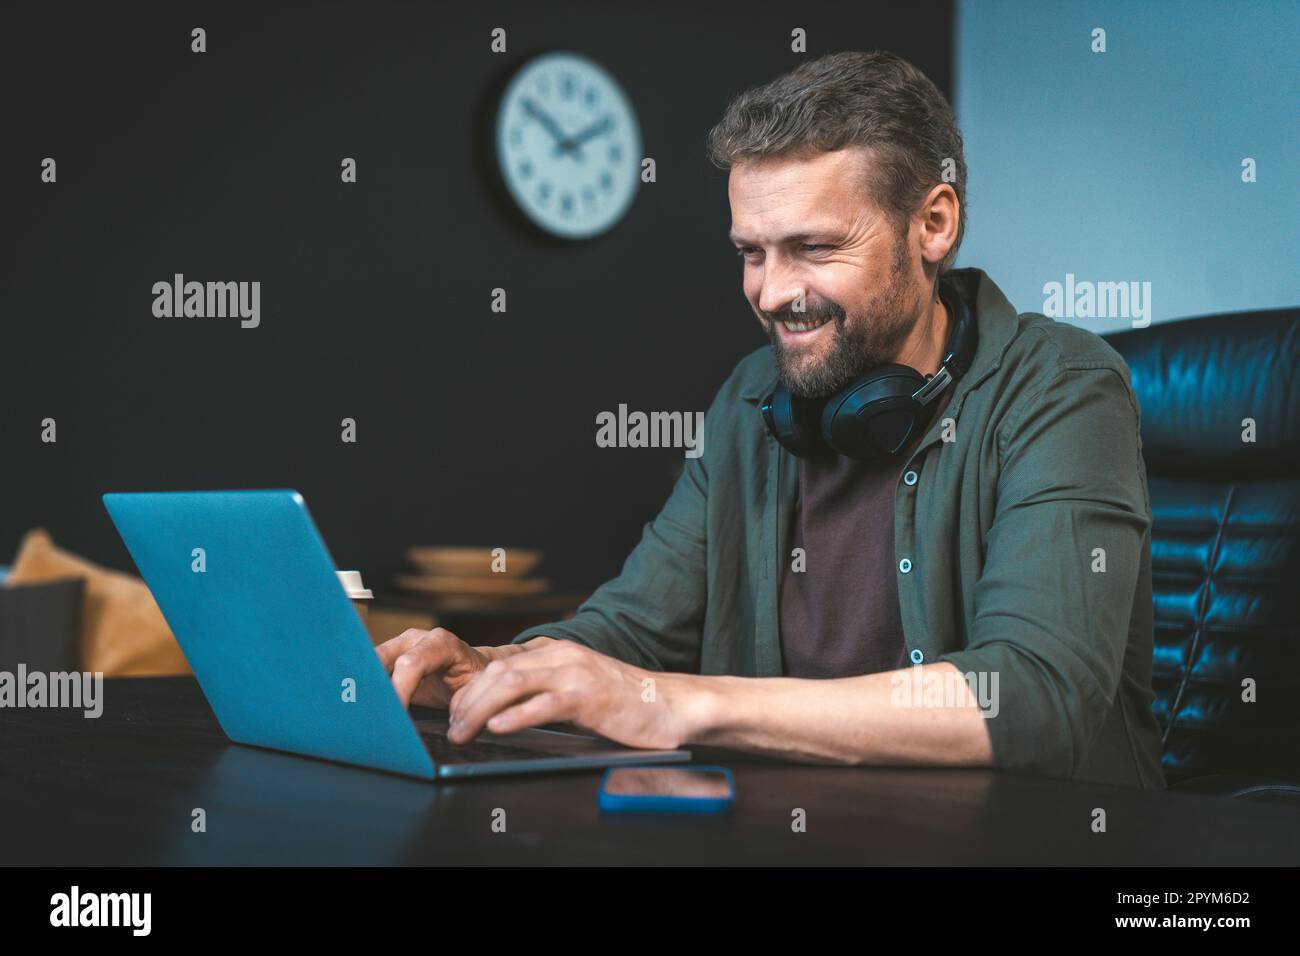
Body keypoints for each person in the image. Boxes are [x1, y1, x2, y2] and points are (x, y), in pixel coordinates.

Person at [376, 51, 1166, 788]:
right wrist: (494, 667)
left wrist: (675, 703)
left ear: (934, 225)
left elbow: (1031, 696)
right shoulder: (752, 397)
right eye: (752, 252)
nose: (771, 291)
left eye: (814, 247)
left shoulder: (1064, 386)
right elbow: (634, 629)